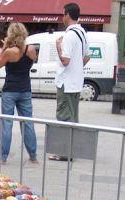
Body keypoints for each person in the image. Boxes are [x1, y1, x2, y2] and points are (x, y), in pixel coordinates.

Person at [0, 22, 38, 165]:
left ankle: (3, 157)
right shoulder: (31, 49)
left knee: (7, 123)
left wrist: (5, 47)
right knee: (28, 123)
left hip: (10, 90)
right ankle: (33, 156)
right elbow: (32, 62)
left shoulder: (10, 52)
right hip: (25, 90)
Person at [50, 2, 90, 161]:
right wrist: (77, 67)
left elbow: (65, 60)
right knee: (73, 117)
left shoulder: (69, 35)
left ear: (67, 14)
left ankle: (64, 152)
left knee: (64, 117)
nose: (62, 17)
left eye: (63, 14)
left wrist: (58, 46)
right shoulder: (82, 33)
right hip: (76, 82)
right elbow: (87, 57)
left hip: (66, 83)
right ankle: (72, 150)